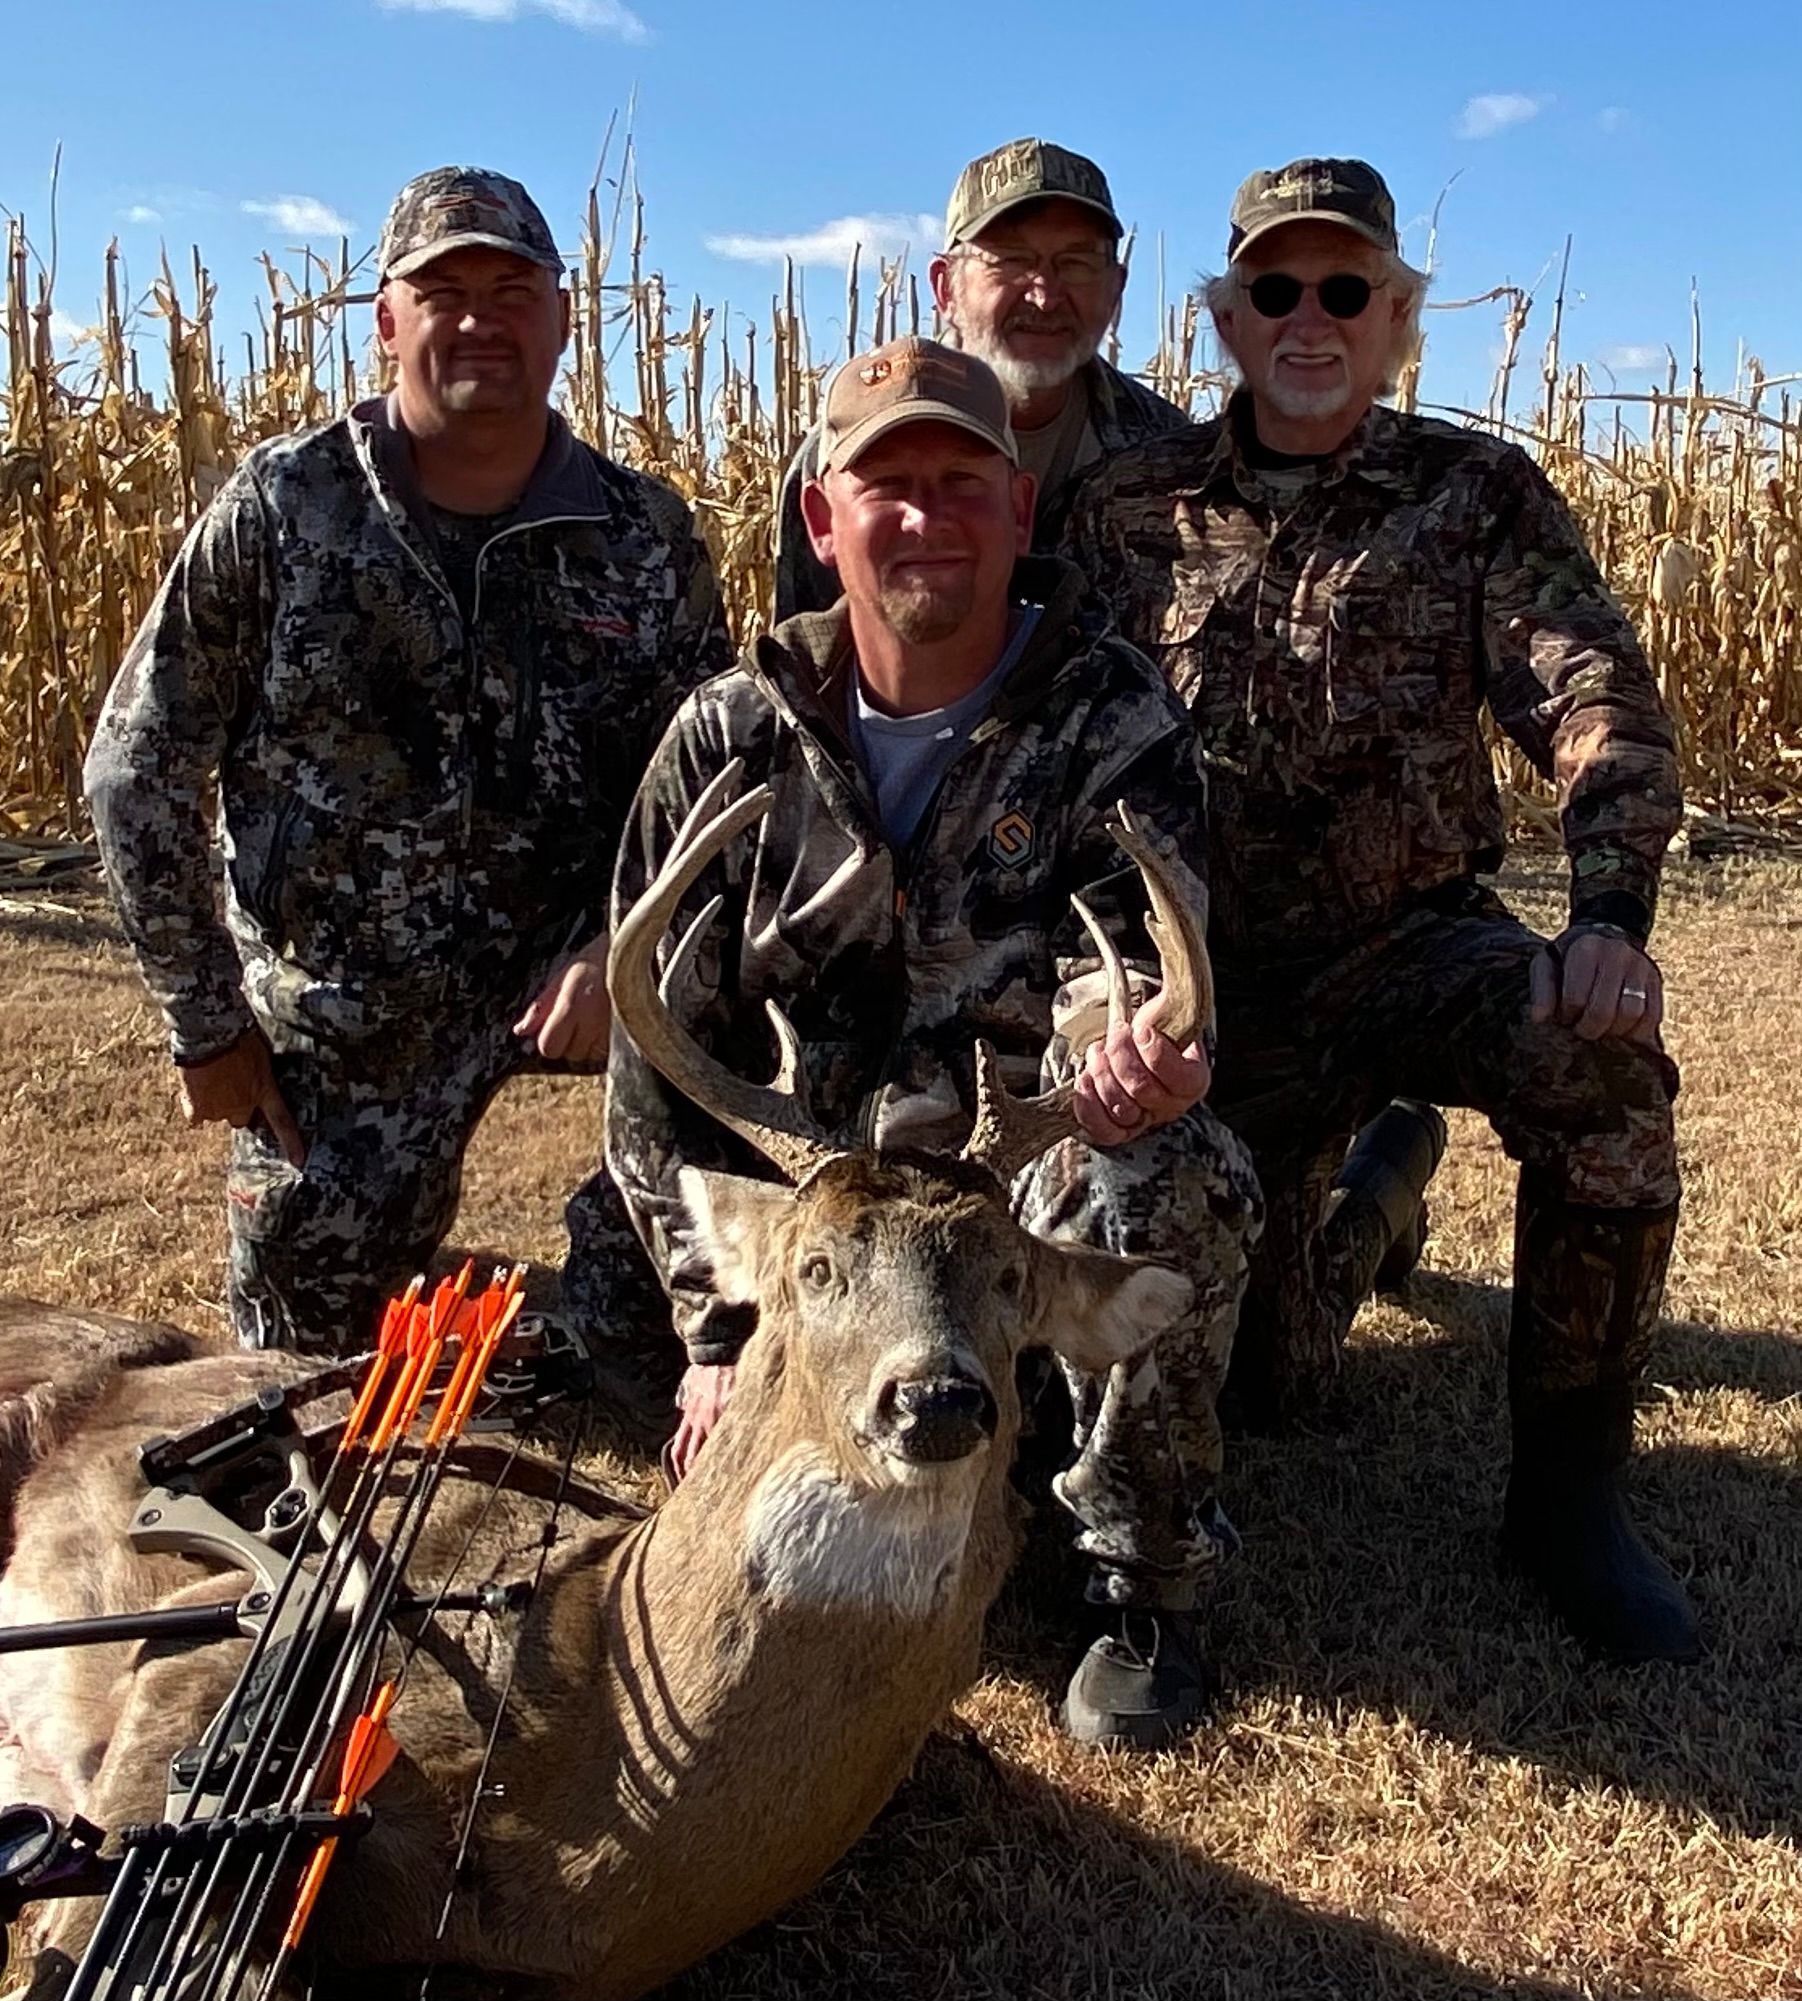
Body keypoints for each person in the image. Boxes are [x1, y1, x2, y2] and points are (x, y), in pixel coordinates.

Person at [1063, 158, 1699, 1664]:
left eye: (1344, 290)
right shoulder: (1123, 511)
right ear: (1226, 319)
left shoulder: (1475, 495)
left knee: (1602, 1074)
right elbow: (1053, 738)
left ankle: (1569, 1504)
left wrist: (1607, 915)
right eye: (1274, 289)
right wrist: (1107, 980)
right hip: (1210, 989)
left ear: (1396, 318)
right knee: (1278, 1387)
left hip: (1411, 947)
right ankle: (1381, 1190)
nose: (1309, 317)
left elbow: (1593, 695)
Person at [607, 336, 1262, 1747]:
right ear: (819, 515)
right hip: (812, 1204)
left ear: (1019, 508)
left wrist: (1121, 1060)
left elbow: (1128, 961)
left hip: (1003, 1193)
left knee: (1163, 1180)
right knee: (601, 1316)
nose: (924, 515)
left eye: (962, 481)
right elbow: (654, 1066)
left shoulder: (1109, 716)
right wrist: (714, 1334)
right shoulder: (725, 737)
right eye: (884, 483)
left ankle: (1138, 1573)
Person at [86, 165, 730, 1368]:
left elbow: (713, 782)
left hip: (568, 972)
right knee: (304, 1356)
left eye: (511, 291)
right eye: (444, 294)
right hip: (345, 1006)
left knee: (648, 1346)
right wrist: (207, 1022)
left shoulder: (646, 537)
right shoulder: (285, 508)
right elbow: (136, 767)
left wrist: (618, 947)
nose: (480, 319)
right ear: (387, 322)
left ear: (561, 319)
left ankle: (621, 1277)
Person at [771, 138, 1189, 623]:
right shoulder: (847, 459)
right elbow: (808, 652)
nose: (1045, 296)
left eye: (1076, 263)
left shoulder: (1173, 458)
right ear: (945, 288)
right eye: (1011, 260)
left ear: (1116, 290)